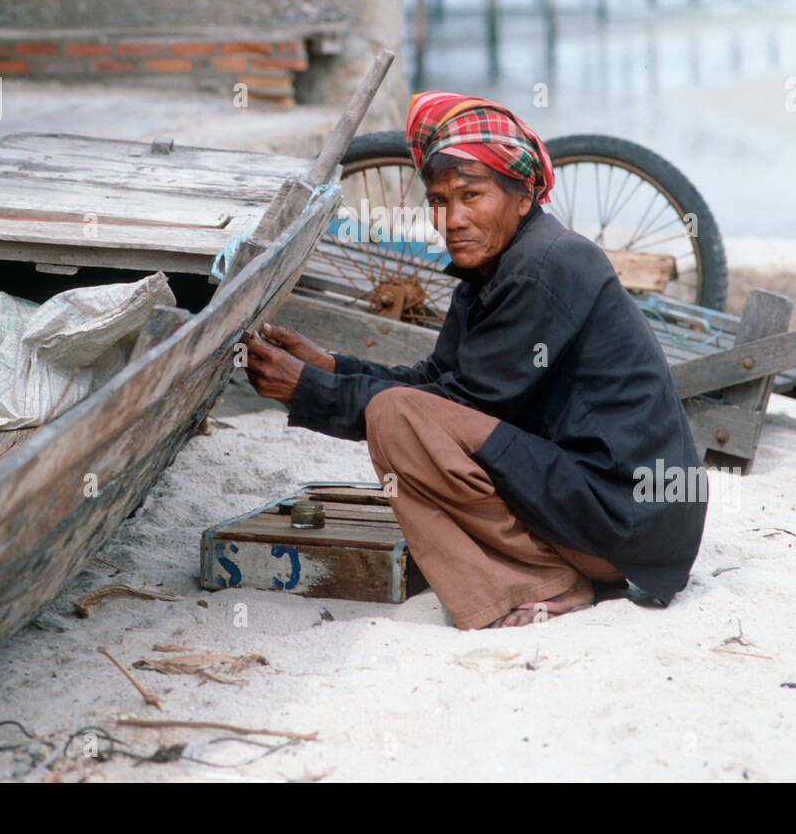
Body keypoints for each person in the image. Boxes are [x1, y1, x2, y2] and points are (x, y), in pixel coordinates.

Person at [245, 92, 706, 629]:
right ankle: (539, 573)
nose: (453, 218)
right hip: (622, 519)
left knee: (395, 418)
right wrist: (329, 368)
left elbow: (453, 405)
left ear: (523, 195)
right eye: (439, 200)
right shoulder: (496, 266)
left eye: (472, 194)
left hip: (628, 523)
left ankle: (547, 582)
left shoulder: (542, 266)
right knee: (400, 411)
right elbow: (437, 383)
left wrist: (307, 391)